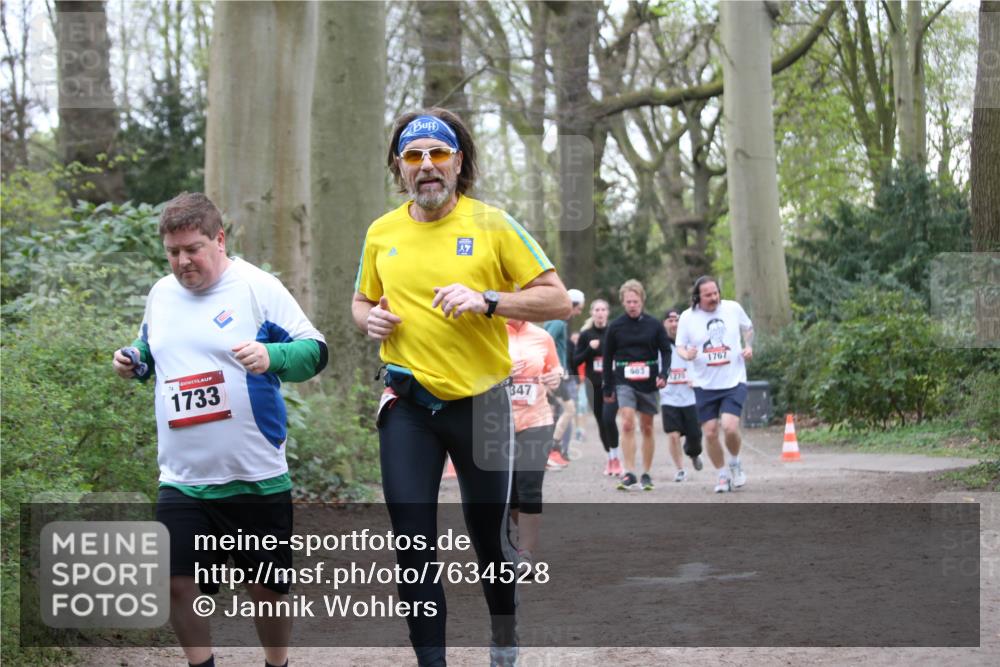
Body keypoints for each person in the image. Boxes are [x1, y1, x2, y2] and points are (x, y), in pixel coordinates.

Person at [351, 108, 571, 667]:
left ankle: (504, 637)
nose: (426, 165)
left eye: (438, 154)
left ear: (458, 163)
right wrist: (369, 319)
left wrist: (489, 300)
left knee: (489, 539)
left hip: (483, 405)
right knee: (412, 545)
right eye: (413, 155)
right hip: (407, 405)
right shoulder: (381, 232)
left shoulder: (492, 224)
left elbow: (557, 299)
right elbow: (361, 300)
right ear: (399, 167)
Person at [111, 192, 328, 667]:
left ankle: (276, 663)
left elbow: (314, 351)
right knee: (175, 580)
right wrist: (133, 359)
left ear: (220, 239)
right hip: (182, 478)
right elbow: (150, 347)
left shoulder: (257, 288)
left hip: (254, 474)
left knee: (267, 590)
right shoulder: (161, 294)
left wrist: (272, 355)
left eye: (193, 249)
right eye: (173, 252)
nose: (183, 262)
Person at [675, 276, 753, 493]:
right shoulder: (688, 317)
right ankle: (721, 475)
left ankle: (735, 462)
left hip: (733, 380)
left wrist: (748, 346)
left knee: (729, 427)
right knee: (710, 433)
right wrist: (687, 355)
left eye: (716, 293)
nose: (713, 298)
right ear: (697, 297)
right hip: (704, 384)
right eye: (708, 295)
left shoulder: (732, 308)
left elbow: (748, 328)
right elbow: (680, 346)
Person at [601, 280, 672, 491]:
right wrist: (608, 385)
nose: (632, 305)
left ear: (642, 301)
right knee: (627, 423)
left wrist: (664, 374)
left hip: (649, 381)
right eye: (628, 302)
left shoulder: (654, 325)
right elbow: (607, 357)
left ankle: (646, 473)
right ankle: (630, 472)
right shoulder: (615, 326)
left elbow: (666, 351)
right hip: (624, 380)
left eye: (636, 301)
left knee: (647, 427)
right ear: (623, 302)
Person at [506, 317, 562, 573]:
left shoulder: (542, 336)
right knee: (509, 493)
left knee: (529, 485)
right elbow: (469, 372)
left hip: (537, 420)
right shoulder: (488, 332)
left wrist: (555, 377)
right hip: (496, 422)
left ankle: (525, 554)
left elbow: (555, 368)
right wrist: (500, 373)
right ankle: (514, 540)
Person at [572, 298, 621, 476]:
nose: (600, 313)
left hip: (612, 383)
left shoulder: (614, 331)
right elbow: (575, 360)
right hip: (593, 385)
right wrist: (589, 350)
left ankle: (616, 457)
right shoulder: (586, 335)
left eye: (603, 310)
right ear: (592, 313)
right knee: (601, 422)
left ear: (608, 313)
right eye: (597, 310)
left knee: (609, 419)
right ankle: (610, 458)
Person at [659, 308, 704, 482]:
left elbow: (701, 361)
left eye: (676, 320)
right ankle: (680, 469)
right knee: (673, 434)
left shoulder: (690, 340)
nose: (674, 324)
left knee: (695, 436)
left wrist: (696, 378)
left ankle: (693, 453)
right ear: (664, 324)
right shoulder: (658, 343)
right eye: (670, 321)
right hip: (668, 396)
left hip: (690, 396)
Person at [542, 288, 585, 468]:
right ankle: (552, 447)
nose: (578, 313)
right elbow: (546, 342)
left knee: (553, 412)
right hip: (554, 374)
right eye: (578, 308)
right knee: (568, 409)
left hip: (554, 373)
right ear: (570, 305)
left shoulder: (556, 321)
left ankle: (549, 452)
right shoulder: (558, 322)